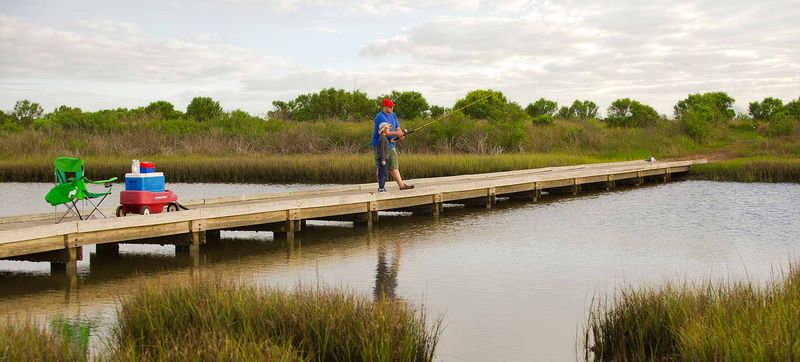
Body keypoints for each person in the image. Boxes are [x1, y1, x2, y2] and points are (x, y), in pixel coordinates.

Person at [371, 98, 414, 190]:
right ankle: (381, 187)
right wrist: (397, 134)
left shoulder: (393, 115)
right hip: (380, 145)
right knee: (381, 165)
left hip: (391, 145)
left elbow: (397, 127)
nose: (392, 108)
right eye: (390, 107)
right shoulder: (380, 117)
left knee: (394, 165)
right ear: (384, 107)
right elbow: (386, 132)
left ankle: (401, 186)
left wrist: (401, 134)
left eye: (392, 107)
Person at [376, 122, 391, 192]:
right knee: (382, 173)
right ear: (383, 129)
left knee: (385, 173)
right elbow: (381, 149)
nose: (389, 129)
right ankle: (381, 187)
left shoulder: (384, 137)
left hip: (385, 158)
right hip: (383, 158)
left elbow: (386, 146)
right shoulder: (382, 138)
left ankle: (382, 187)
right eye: (387, 128)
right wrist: (383, 159)